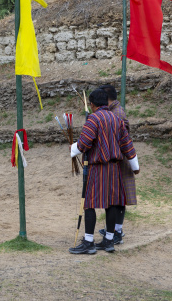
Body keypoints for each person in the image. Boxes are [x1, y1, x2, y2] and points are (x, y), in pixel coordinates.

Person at [69, 88, 140, 255]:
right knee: (112, 204)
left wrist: (72, 149)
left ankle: (88, 242)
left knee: (90, 204)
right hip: (115, 169)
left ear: (92, 105)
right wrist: (135, 166)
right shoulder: (117, 119)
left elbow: (83, 144)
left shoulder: (94, 119)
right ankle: (108, 240)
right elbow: (127, 145)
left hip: (98, 168)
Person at [97, 85, 136, 245]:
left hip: (119, 160)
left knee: (119, 198)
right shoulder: (114, 111)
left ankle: (116, 232)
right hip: (118, 158)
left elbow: (122, 139)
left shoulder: (117, 113)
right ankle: (114, 230)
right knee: (118, 198)